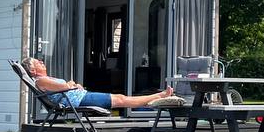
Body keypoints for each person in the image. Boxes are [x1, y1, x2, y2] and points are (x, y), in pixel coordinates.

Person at [22, 57, 183, 109]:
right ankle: (159, 96)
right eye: (38, 63)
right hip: (79, 100)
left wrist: (71, 85)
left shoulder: (44, 80)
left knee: (120, 97)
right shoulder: (41, 80)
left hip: (78, 96)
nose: (42, 62)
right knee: (120, 99)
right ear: (33, 71)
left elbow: (64, 87)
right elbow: (64, 87)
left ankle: (156, 97)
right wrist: (70, 84)